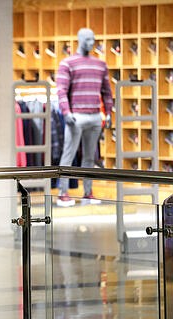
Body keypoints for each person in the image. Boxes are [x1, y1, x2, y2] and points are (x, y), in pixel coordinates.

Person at [56, 27, 113, 207]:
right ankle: (62, 192)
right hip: (77, 116)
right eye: (88, 39)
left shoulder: (100, 65)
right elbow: (61, 90)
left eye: (93, 39)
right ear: (80, 40)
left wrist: (109, 112)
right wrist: (66, 112)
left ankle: (88, 192)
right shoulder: (68, 63)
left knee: (90, 157)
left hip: (95, 115)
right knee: (68, 154)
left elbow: (107, 92)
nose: (92, 42)